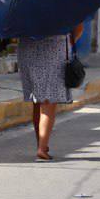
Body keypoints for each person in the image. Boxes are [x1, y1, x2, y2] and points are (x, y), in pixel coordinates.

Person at [18, 23, 83, 161]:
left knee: (37, 100)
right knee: (48, 102)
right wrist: (68, 43)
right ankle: (42, 148)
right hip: (55, 49)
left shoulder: (24, 4)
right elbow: (78, 28)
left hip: (27, 50)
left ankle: (41, 144)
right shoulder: (64, 3)